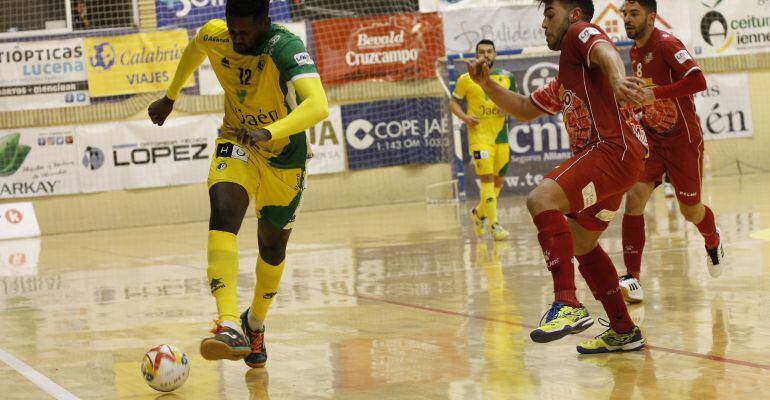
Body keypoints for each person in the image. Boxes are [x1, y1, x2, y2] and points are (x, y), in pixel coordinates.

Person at [147, 0, 328, 367]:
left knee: (272, 248)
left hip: (283, 154)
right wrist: (170, 97)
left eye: (246, 31)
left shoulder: (285, 46)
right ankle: (228, 323)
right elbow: (194, 49)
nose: (238, 37)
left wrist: (268, 130)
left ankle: (254, 323)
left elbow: (318, 105)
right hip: (237, 140)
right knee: (224, 211)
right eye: (234, 29)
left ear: (265, 22)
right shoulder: (217, 35)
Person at [464, 0, 647, 354]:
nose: (544, 24)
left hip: (611, 149)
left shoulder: (580, 33)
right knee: (581, 242)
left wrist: (617, 78)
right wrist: (485, 83)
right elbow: (523, 109)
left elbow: (603, 48)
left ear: (573, 14)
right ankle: (624, 329)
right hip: (624, 159)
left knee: (541, 199)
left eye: (550, 15)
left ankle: (567, 303)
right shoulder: (567, 78)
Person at [618, 0, 725, 304]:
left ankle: (712, 238)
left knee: (690, 210)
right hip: (653, 140)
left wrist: (657, 93)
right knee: (634, 198)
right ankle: (633, 278)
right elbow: (646, 92)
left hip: (683, 141)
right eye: (624, 13)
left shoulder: (667, 43)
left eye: (634, 13)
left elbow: (698, 80)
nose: (627, 19)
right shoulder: (636, 50)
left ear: (652, 17)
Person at [450, 39, 518, 241]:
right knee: (486, 179)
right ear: (476, 55)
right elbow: (453, 102)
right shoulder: (465, 79)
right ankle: (495, 225)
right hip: (479, 137)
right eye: (482, 52)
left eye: (489, 51)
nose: (486, 55)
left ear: (495, 54)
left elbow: (517, 102)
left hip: (501, 136)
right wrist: (464, 118)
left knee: (498, 182)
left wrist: (506, 108)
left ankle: (479, 214)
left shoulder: (507, 78)